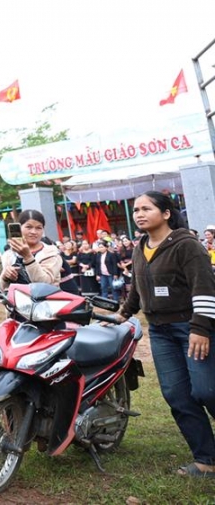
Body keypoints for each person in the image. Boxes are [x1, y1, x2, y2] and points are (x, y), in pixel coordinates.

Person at [116, 191, 215, 478]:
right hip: (160, 332)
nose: (139, 214)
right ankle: (207, 460)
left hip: (193, 330)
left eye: (146, 208)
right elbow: (137, 287)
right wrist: (123, 314)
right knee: (177, 395)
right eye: (136, 210)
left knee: (206, 390)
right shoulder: (140, 247)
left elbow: (205, 288)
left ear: (167, 213)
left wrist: (200, 329)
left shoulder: (187, 244)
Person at [0, 210, 62, 291]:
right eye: (28, 227)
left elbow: (44, 283)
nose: (33, 232)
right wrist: (5, 277)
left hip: (46, 302)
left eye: (39, 228)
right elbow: (2, 289)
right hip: (19, 302)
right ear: (20, 227)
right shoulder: (9, 255)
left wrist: (28, 257)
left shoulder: (51, 253)